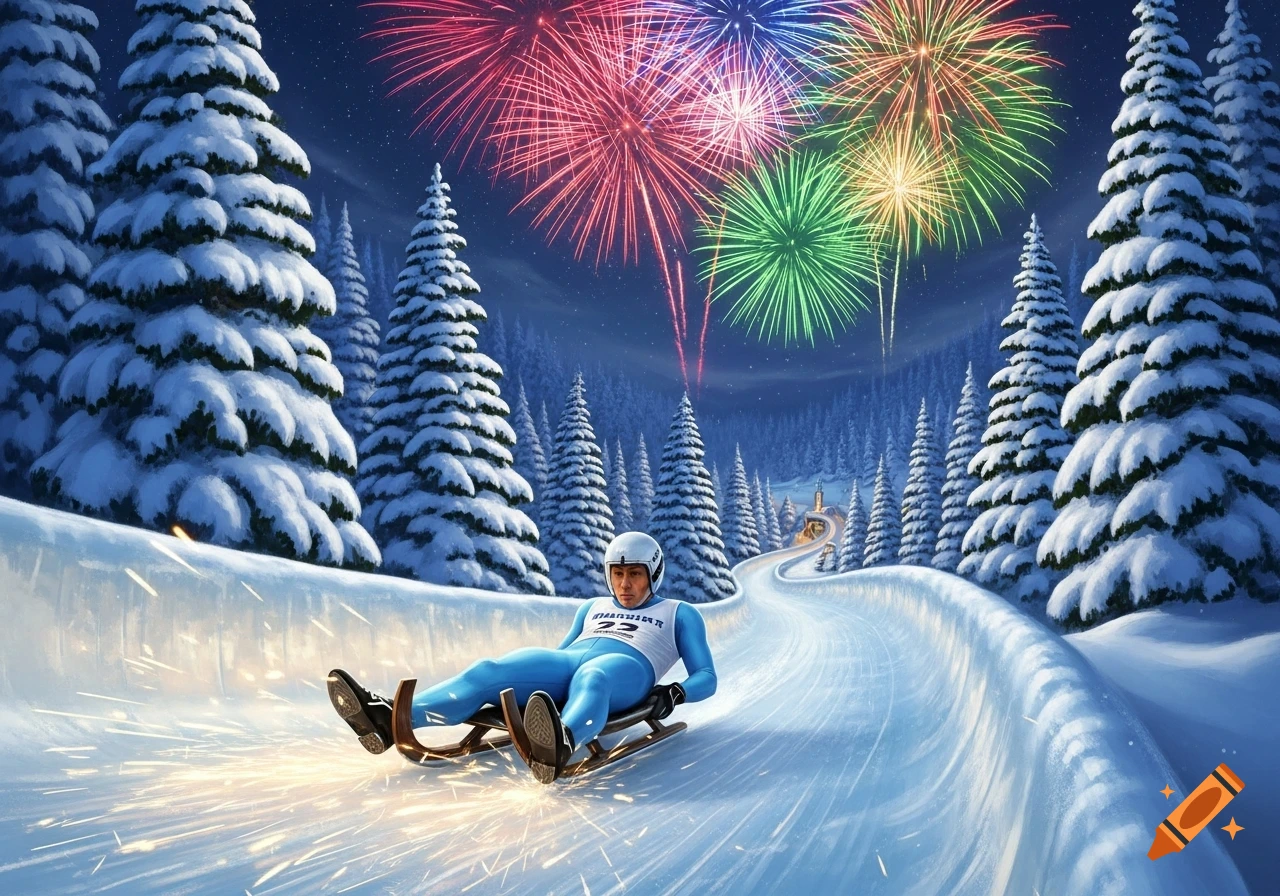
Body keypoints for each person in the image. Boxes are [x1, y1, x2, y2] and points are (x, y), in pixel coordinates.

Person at [328, 531, 717, 783]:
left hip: (628, 669)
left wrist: (675, 694)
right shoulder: (593, 606)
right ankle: (389, 717)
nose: (624, 584)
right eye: (617, 574)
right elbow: (564, 651)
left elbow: (706, 675)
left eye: (635, 574)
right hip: (570, 661)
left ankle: (561, 743)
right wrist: (538, 685)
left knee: (594, 678)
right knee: (490, 671)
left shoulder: (678, 612)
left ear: (654, 575)